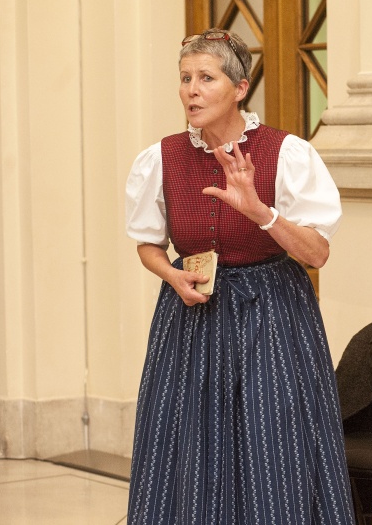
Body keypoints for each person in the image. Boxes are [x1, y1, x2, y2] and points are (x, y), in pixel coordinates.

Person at [124, 28, 355, 524]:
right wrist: (172, 276)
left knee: (274, 442)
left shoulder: (288, 153)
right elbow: (147, 243)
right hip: (190, 315)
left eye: (206, 78)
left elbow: (316, 253)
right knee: (186, 442)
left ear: (240, 88)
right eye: (185, 78)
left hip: (272, 313)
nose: (191, 89)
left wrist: (259, 212)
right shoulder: (160, 158)